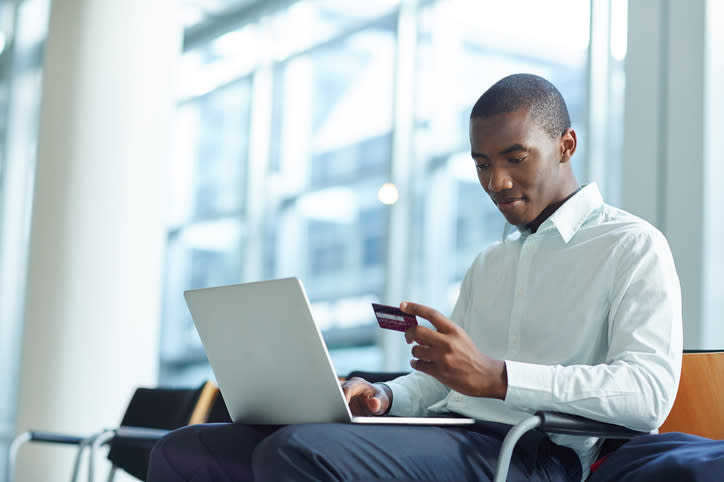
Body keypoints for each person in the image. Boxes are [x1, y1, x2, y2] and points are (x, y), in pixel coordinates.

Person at [147, 73, 682, 481]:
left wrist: (498, 377)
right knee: (182, 449)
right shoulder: (491, 262)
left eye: (515, 158)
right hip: (452, 430)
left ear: (566, 145)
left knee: (296, 452)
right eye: (480, 163)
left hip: (537, 453)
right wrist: (385, 399)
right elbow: (443, 385)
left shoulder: (632, 246)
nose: (496, 181)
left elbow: (648, 393)